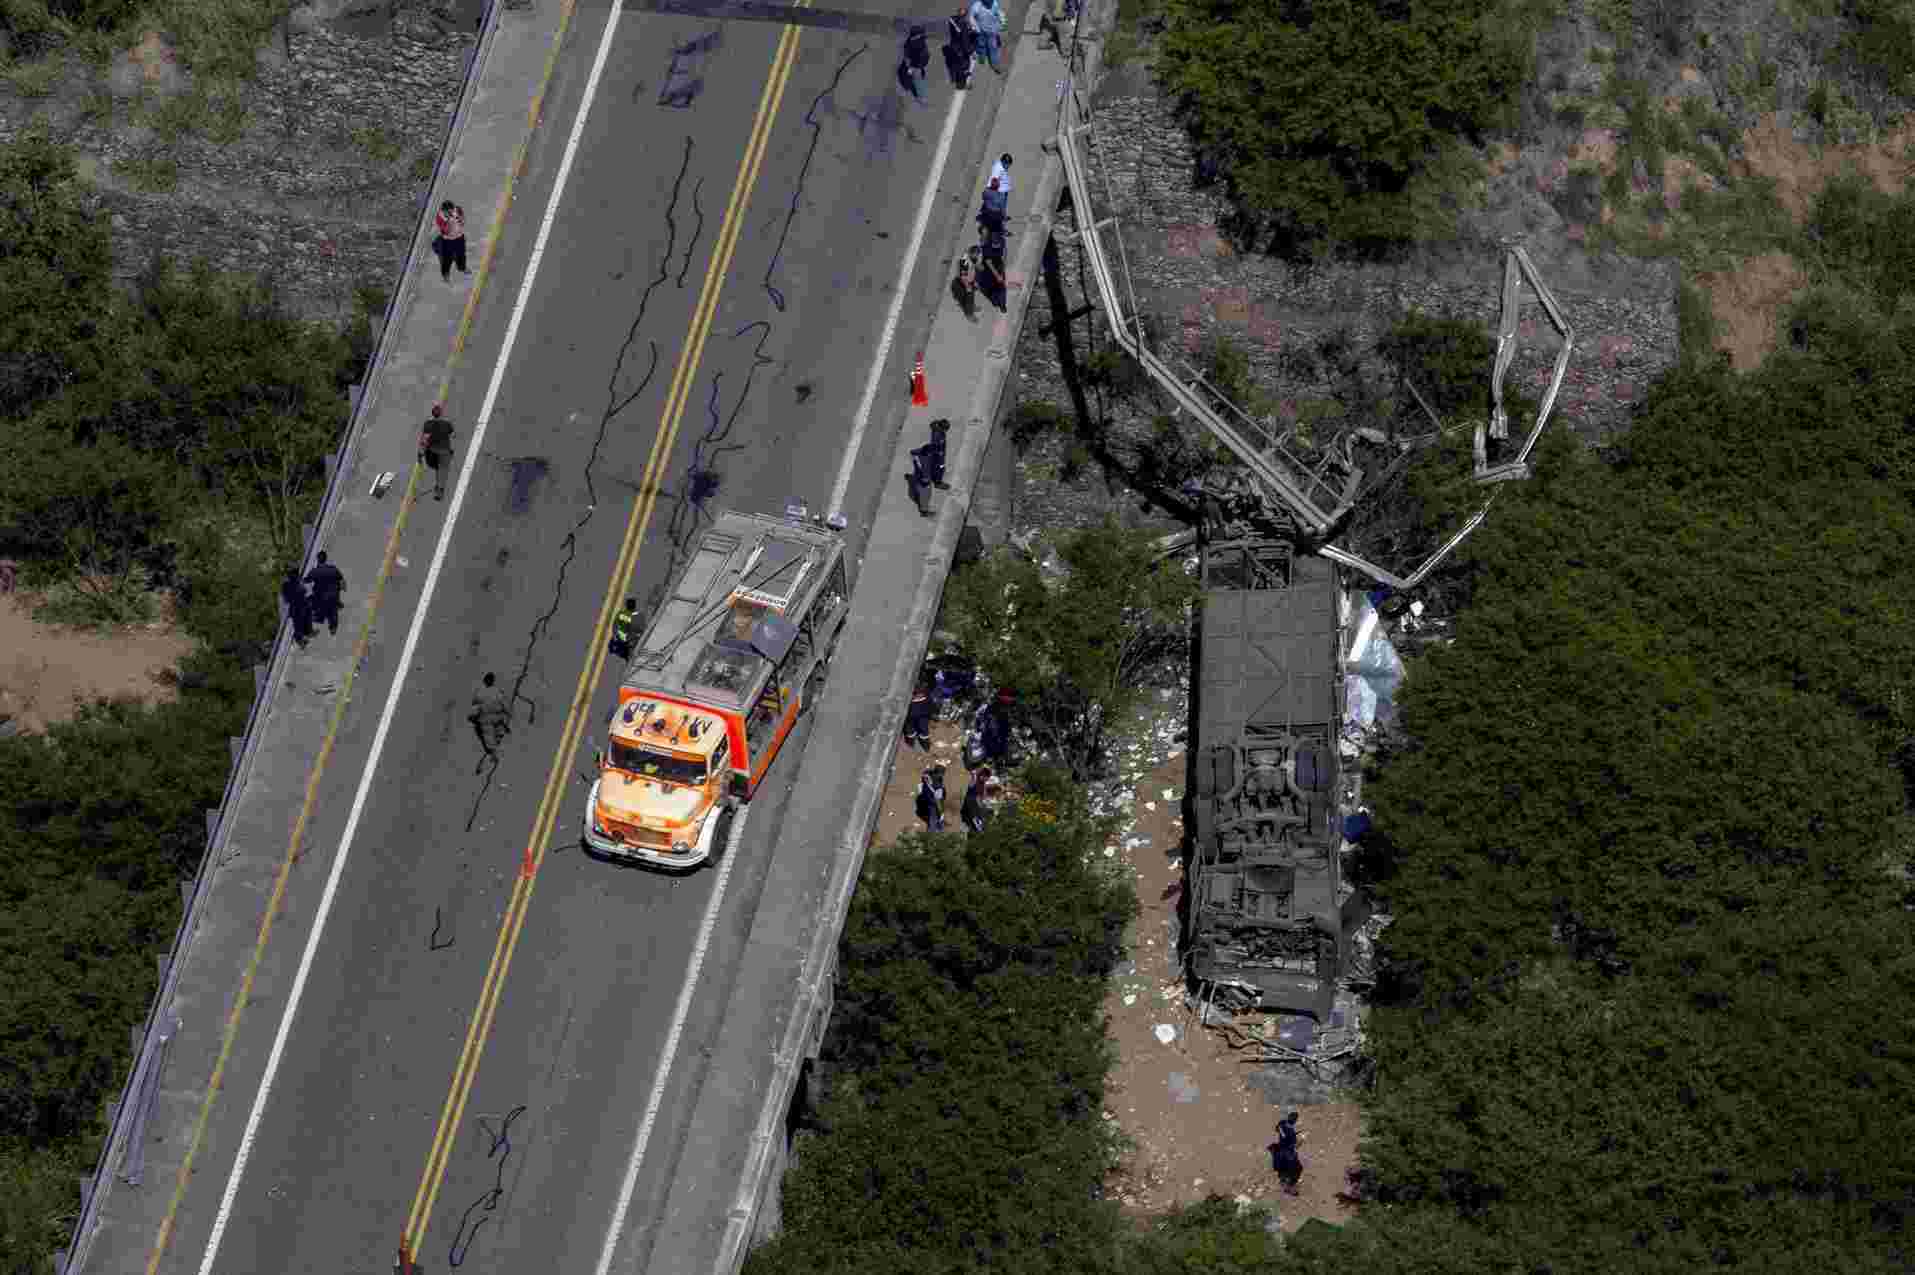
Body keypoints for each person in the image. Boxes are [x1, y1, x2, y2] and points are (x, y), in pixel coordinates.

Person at [469, 672, 512, 767]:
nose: (488, 681)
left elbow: (505, 703)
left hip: (496, 716)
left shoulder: (497, 691)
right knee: (488, 733)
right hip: (485, 718)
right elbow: (475, 706)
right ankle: (493, 752)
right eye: (487, 680)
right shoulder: (480, 692)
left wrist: (508, 713)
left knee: (494, 729)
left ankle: (498, 738)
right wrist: (473, 715)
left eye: (490, 680)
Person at [304, 551, 345, 636]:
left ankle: (317, 617)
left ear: (318, 560)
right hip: (333, 596)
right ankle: (332, 626)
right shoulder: (333, 568)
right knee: (332, 611)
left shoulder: (314, 571)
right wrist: (342, 589)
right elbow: (341, 580)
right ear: (325, 559)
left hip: (321, 598)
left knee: (311, 602)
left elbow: (306, 580)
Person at [418, 404, 455, 500]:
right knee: (442, 470)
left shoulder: (427, 424)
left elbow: (424, 440)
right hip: (444, 451)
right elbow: (451, 436)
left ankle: (438, 487)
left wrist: (420, 454)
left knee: (437, 468)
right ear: (441, 413)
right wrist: (451, 450)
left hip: (432, 452)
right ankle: (439, 490)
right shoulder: (447, 424)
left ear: (432, 414)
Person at [280, 566, 313, 648]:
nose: (297, 575)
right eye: (295, 574)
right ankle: (300, 640)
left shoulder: (295, 581)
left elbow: (303, 590)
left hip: (302, 605)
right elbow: (287, 598)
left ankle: (308, 632)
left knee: (306, 618)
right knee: (298, 624)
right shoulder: (287, 584)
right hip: (296, 607)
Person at [1272, 1111, 1304, 1195]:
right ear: (1295, 1121)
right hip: (1287, 1153)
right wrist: (1300, 1141)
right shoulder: (1290, 1132)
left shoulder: (1282, 1123)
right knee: (1298, 1168)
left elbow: (1278, 1130)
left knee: (1284, 1169)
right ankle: (1289, 1186)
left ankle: (1284, 1181)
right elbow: (1292, 1144)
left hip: (1280, 1151)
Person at [434, 200, 468, 280]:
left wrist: (459, 219)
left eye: (452, 210)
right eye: (449, 211)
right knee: (447, 258)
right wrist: (449, 220)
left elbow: (462, 221)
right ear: (444, 211)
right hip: (448, 240)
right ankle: (446, 274)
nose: (452, 212)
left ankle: (462, 268)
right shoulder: (440, 217)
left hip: (459, 237)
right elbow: (446, 231)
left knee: (461, 254)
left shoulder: (457, 210)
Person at [966, 0, 1002, 73]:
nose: (990, 4)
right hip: (981, 31)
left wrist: (999, 24)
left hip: (992, 32)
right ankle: (982, 57)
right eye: (988, 3)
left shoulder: (994, 3)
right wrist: (977, 29)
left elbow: (997, 13)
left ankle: (995, 65)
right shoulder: (976, 6)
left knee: (993, 48)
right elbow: (971, 18)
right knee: (981, 45)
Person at [944, 9, 976, 88]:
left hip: (954, 46)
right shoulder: (963, 25)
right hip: (961, 49)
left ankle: (955, 78)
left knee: (956, 65)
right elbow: (965, 41)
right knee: (964, 66)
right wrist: (971, 52)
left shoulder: (953, 21)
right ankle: (962, 84)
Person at [898, 25, 930, 104]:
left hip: (916, 64)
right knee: (903, 74)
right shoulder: (913, 40)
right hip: (913, 62)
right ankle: (908, 88)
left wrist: (912, 67)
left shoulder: (918, 44)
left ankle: (921, 97)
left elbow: (922, 57)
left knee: (916, 80)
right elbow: (907, 51)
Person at [915, 764, 947, 833]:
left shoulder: (927, 775)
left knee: (930, 818)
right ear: (940, 773)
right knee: (933, 821)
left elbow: (924, 775)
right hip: (931, 804)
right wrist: (941, 813)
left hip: (922, 800)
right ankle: (932, 834)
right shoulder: (938, 785)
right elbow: (938, 801)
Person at [904, 677, 934, 750]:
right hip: (914, 714)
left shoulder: (926, 692)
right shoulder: (925, 691)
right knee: (911, 729)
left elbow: (930, 702)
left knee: (922, 729)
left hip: (919, 714)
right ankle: (913, 741)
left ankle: (923, 743)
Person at [961, 764, 992, 833]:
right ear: (983, 775)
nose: (987, 779)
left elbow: (982, 796)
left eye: (988, 778)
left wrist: (984, 804)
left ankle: (976, 827)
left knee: (976, 812)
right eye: (986, 777)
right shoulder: (974, 778)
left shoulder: (982, 784)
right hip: (966, 802)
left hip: (972, 805)